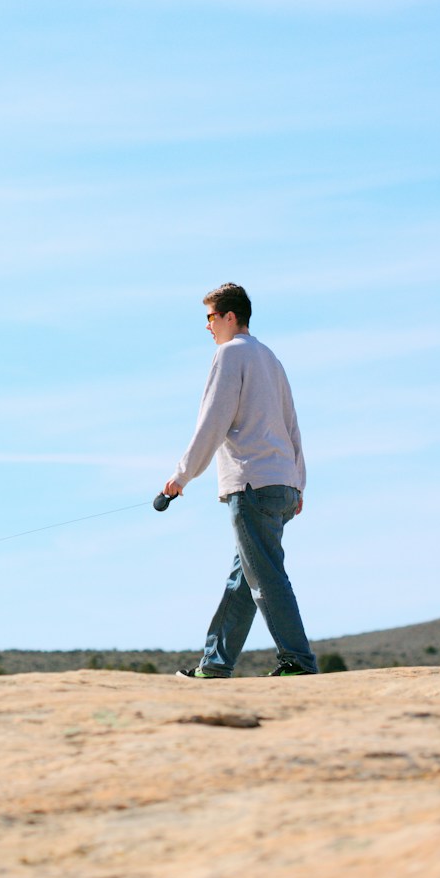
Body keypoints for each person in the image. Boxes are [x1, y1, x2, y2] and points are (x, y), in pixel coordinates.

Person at [162, 282, 318, 678]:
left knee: (265, 577)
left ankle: (299, 662)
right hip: (282, 485)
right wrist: (298, 482)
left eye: (211, 318)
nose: (208, 327)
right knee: (244, 580)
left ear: (231, 317)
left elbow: (213, 421)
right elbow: (292, 425)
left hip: (251, 485)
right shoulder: (270, 358)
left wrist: (182, 476)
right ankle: (215, 664)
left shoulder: (229, 355)